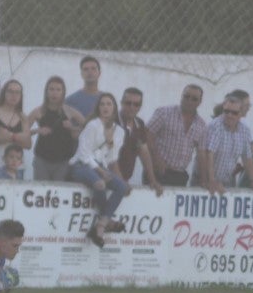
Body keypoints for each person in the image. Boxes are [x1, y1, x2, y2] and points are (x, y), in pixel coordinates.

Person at [70, 93, 131, 248]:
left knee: (121, 187)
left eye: (109, 104)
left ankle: (101, 224)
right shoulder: (93, 125)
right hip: (82, 165)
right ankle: (106, 224)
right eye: (102, 104)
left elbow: (111, 158)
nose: (105, 107)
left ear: (114, 108)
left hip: (101, 166)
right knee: (100, 184)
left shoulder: (120, 131)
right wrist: (100, 170)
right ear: (98, 108)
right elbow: (83, 153)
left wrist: (110, 145)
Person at [199, 94, 253, 195]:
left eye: (234, 113)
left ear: (240, 114)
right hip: (207, 182)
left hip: (228, 182)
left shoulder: (244, 131)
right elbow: (209, 155)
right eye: (226, 111)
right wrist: (211, 180)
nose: (229, 115)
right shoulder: (215, 126)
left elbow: (247, 159)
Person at [147, 84, 207, 187]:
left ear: (200, 102)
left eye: (194, 99)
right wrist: (156, 158)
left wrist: (204, 180)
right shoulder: (164, 113)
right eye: (186, 96)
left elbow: (201, 153)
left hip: (180, 176)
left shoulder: (201, 125)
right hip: (158, 171)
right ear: (181, 96)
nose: (189, 101)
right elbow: (147, 134)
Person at [27, 75, 84, 181]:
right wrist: (37, 130)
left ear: (63, 92)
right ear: (46, 92)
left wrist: (73, 127)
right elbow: (23, 131)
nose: (54, 93)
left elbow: (88, 129)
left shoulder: (69, 111)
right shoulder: (38, 111)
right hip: (42, 160)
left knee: (60, 192)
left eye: (58, 89)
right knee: (41, 191)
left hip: (63, 161)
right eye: (51, 89)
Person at [116, 87, 163, 194]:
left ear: (140, 107)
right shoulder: (112, 120)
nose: (132, 107)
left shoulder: (139, 124)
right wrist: (119, 180)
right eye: (128, 103)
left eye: (136, 104)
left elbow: (144, 153)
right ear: (121, 103)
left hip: (124, 181)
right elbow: (107, 156)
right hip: (107, 180)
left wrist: (153, 180)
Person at [0, 79, 33, 170]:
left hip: (18, 167)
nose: (14, 95)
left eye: (17, 92)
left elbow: (28, 144)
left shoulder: (23, 117)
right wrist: (20, 137)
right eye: (10, 91)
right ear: (4, 93)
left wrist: (10, 136)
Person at [65, 55, 103, 120]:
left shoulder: (107, 101)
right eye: (86, 69)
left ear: (99, 73)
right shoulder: (70, 101)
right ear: (81, 74)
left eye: (93, 68)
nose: (90, 72)